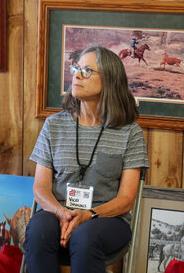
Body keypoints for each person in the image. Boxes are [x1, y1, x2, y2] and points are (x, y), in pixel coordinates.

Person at [24, 46, 149, 273]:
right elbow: (40, 188)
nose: (77, 75)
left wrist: (88, 215)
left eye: (87, 71)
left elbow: (126, 199)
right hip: (57, 213)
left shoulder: (130, 132)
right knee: (38, 231)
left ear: (110, 81)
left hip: (107, 219)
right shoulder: (54, 125)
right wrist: (61, 212)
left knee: (85, 236)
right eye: (76, 68)